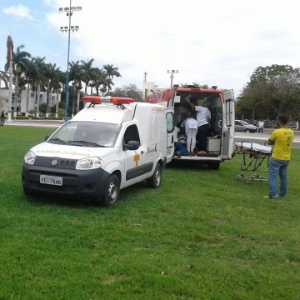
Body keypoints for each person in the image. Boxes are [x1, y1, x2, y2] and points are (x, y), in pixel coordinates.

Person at [265, 115, 294, 199]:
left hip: (277, 158)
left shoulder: (277, 132)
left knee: (273, 177)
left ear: (280, 121)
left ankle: (273, 195)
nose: (276, 121)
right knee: (283, 177)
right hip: (286, 158)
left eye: (277, 120)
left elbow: (269, 142)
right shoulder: (291, 132)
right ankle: (282, 194)